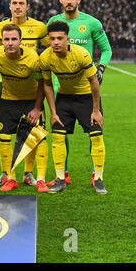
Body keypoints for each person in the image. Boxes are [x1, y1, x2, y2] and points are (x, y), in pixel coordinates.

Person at [46, 0, 112, 186]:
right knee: (60, 131)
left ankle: (96, 175)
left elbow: (106, 50)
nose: (69, 1)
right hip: (60, 85)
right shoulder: (53, 22)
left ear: (78, 0)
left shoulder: (91, 23)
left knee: (94, 129)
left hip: (85, 84)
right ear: (60, 0)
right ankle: (63, 174)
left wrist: (100, 69)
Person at [0, 0, 50, 187]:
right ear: (10, 5)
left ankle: (29, 173)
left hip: (32, 85)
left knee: (32, 133)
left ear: (27, 6)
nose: (18, 6)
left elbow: (50, 50)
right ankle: (6, 173)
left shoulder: (39, 27)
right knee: (5, 133)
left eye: (21, 3)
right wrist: (7, 70)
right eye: (14, 3)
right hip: (8, 87)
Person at [40, 21, 107, 194]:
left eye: (60, 38)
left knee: (96, 136)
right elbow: (47, 84)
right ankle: (60, 179)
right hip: (64, 99)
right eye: (52, 38)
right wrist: (53, 112)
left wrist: (96, 110)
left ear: (67, 39)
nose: (56, 42)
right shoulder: (46, 57)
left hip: (86, 99)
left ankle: (98, 179)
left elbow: (94, 82)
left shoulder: (81, 54)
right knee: (57, 136)